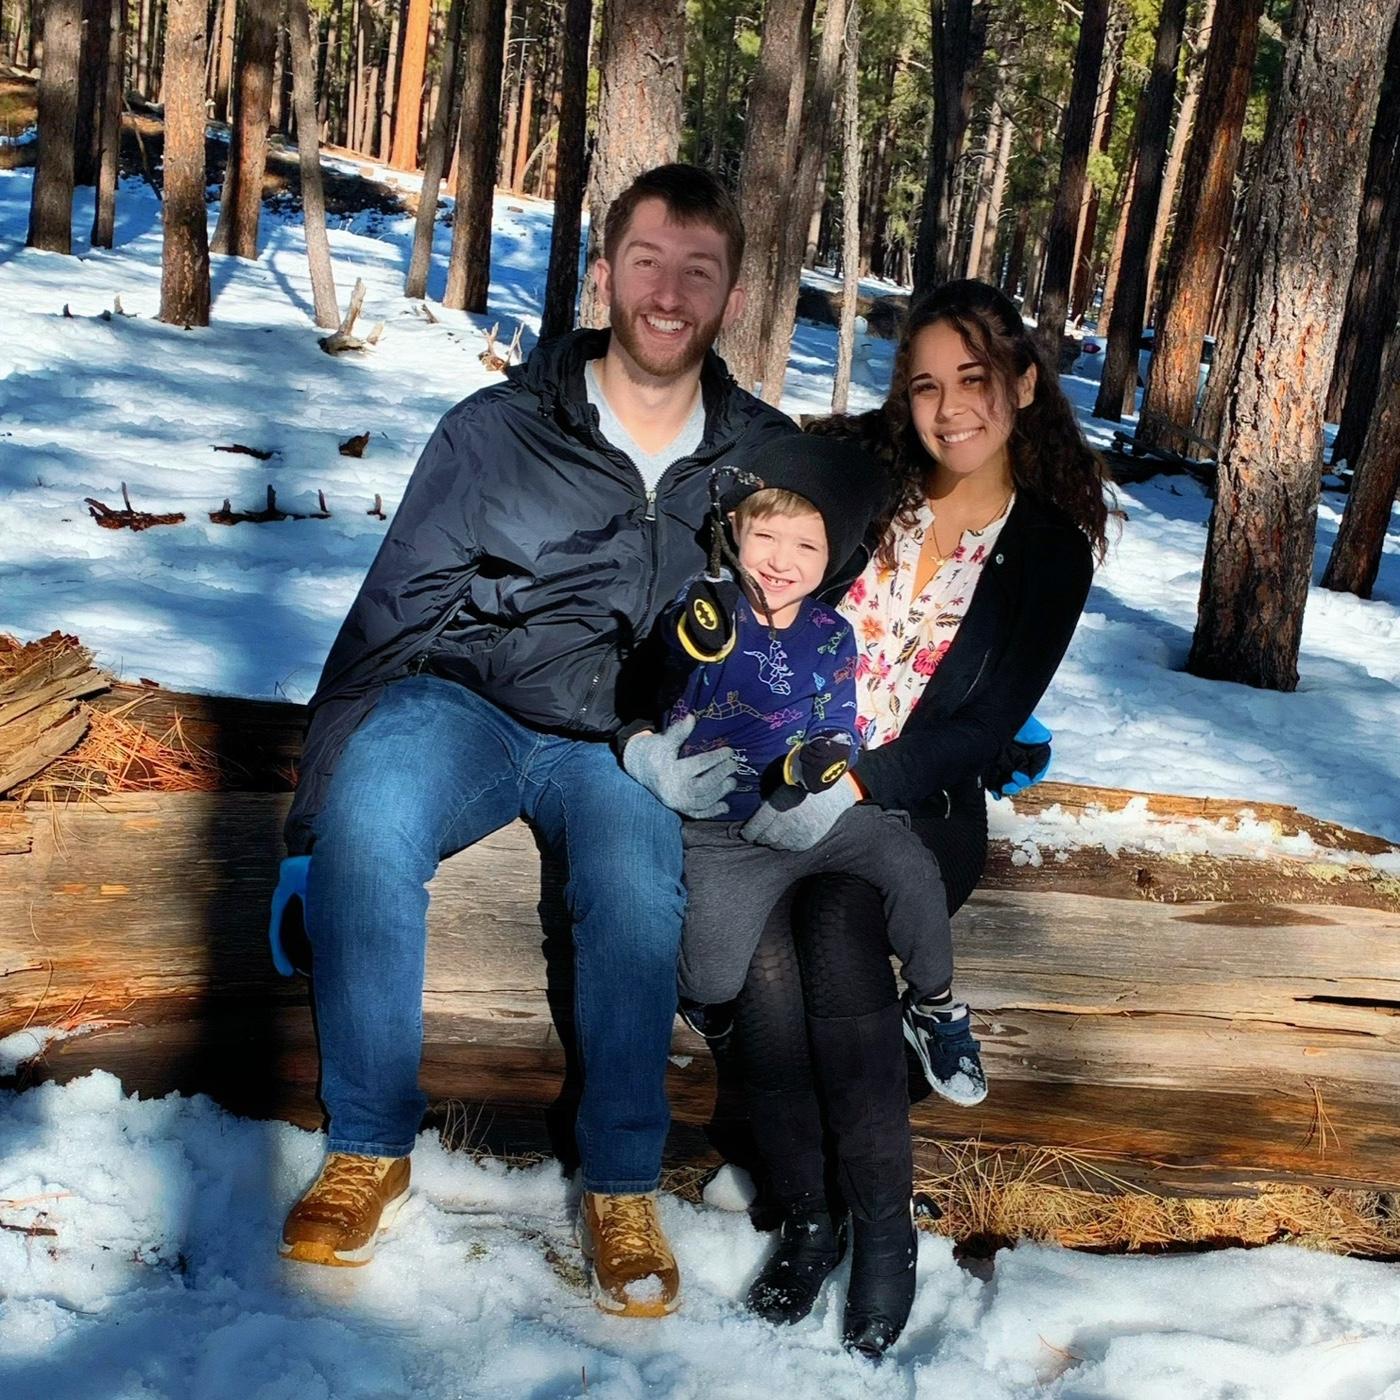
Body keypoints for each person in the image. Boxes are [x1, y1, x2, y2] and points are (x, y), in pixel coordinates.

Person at [274, 164, 795, 1317]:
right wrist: (308, 824)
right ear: (604, 273)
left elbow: (819, 613)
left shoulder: (763, 458)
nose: (667, 293)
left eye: (696, 273)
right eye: (647, 262)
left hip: (630, 746)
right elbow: (385, 623)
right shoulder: (496, 431)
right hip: (467, 701)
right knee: (373, 810)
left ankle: (618, 1180)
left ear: (729, 299)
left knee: (633, 881)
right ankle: (369, 1144)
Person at [731, 278, 1109, 1360]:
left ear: (1024, 385)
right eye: (927, 384)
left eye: (974, 380)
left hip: (919, 804)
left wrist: (857, 785)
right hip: (782, 776)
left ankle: (885, 1234)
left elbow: (986, 721)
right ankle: (809, 1218)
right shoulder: (868, 486)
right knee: (757, 947)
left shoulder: (1046, 550)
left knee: (836, 921)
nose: (949, 407)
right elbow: (756, 512)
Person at [640, 435, 988, 1106]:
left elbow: (839, 719)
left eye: (807, 547)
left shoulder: (832, 633)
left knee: (906, 858)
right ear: (734, 533)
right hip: (722, 830)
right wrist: (690, 635)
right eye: (767, 537)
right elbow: (669, 658)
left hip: (806, 814)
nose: (782, 562)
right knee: (712, 977)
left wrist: (824, 761)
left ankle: (936, 1004)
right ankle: (703, 1004)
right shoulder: (711, 609)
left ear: (833, 561)